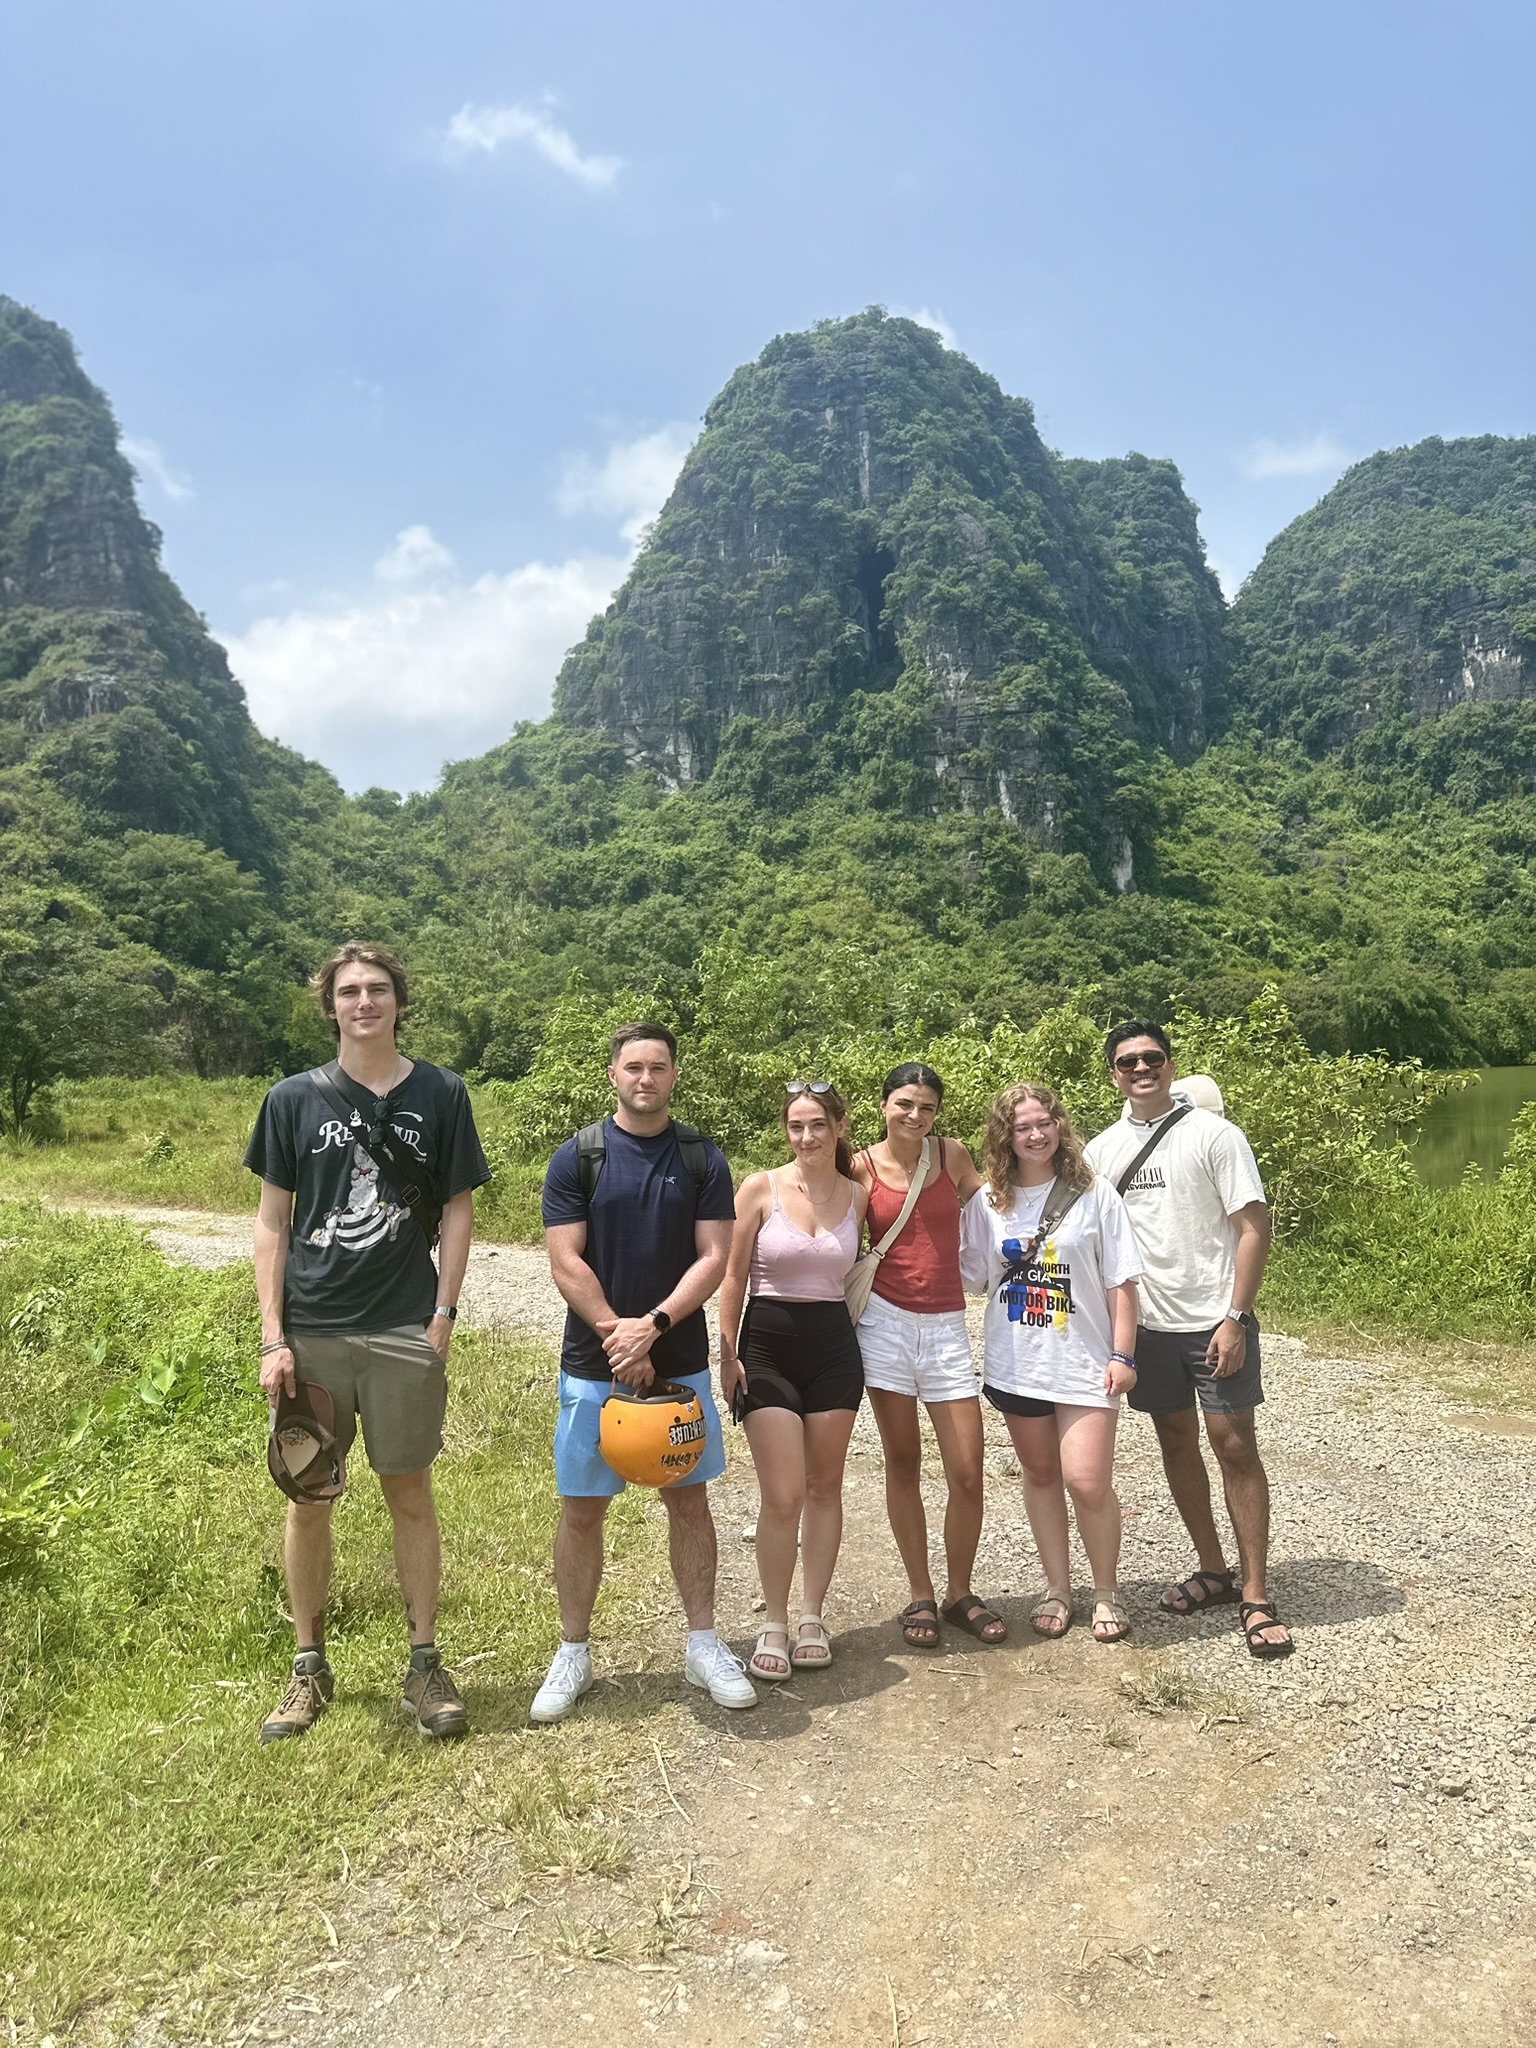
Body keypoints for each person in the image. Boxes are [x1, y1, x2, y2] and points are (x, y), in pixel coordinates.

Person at [249, 943, 492, 1743]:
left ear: (398, 1001)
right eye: (349, 991)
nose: (365, 1003)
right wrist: (272, 1337)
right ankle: (307, 1667)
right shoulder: (291, 1100)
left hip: (402, 1327)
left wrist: (445, 1312)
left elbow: (457, 1208)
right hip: (312, 1331)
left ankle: (425, 1665)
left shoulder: (441, 1093)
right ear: (331, 1005)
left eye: (378, 990)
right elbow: (271, 1224)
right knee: (308, 1497)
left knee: (409, 1493)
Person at [534, 1022, 757, 1720]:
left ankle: (702, 1644)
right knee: (582, 1509)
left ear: (674, 1077)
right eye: (633, 1067)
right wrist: (617, 1336)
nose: (646, 1079)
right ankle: (573, 1652)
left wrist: (653, 1327)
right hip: (594, 1367)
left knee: (689, 1503)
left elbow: (713, 1257)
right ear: (612, 1075)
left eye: (658, 1068)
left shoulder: (701, 1159)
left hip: (679, 1364)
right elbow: (566, 1259)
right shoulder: (579, 1157)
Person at [1082, 1021, 1293, 1659]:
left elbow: (1253, 1227)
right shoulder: (1101, 1150)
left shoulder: (1215, 1135)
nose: (1141, 1069)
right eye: (1128, 1062)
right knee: (1175, 1441)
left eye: (1152, 1058)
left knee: (1233, 1445)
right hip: (1146, 1328)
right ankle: (1214, 1569)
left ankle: (1256, 1593)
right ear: (1113, 1073)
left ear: (1170, 1066)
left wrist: (1236, 1316)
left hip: (1212, 1321)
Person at [959, 1085, 1142, 1643]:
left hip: (1086, 1362)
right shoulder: (988, 1202)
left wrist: (1123, 1353)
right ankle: (1058, 1588)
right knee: (1040, 1476)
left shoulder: (1095, 1194)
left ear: (1060, 1126)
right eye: (1022, 1128)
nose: (1036, 1135)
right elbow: (971, 1278)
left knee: (1087, 1481)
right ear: (1004, 1138)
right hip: (1018, 1362)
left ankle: (1106, 1591)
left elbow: (1122, 1280)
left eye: (1045, 1123)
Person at [851, 1062, 1006, 1650]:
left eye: (927, 1107)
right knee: (904, 1462)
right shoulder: (860, 1167)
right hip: (885, 1322)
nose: (915, 1116)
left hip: (946, 1324)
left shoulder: (952, 1155)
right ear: (884, 1104)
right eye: (904, 1104)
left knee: (968, 1471)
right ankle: (920, 1592)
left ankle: (959, 1591)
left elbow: (995, 1206)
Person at [717, 1081, 869, 1679]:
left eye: (817, 1125)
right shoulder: (760, 1187)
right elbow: (732, 1278)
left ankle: (812, 1616)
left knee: (825, 1486)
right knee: (783, 1495)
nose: (806, 1137)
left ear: (838, 1126)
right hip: (767, 1349)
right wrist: (726, 1354)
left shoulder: (859, 1197)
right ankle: (773, 1622)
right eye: (796, 1126)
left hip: (834, 1349)